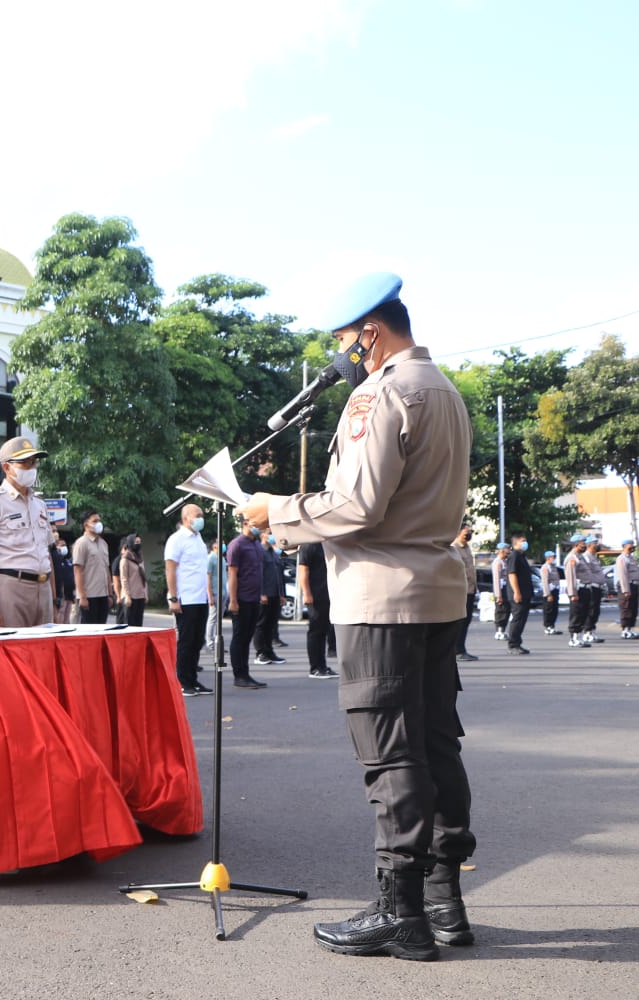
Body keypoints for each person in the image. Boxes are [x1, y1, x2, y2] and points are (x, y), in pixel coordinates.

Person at [241, 272, 475, 961]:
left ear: (369, 333)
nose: (342, 353)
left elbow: (356, 507)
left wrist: (273, 508)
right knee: (436, 745)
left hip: (379, 596)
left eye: (344, 339)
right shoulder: (446, 390)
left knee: (390, 755)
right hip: (434, 590)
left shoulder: (379, 392)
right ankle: (443, 904)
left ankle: (399, 916)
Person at [0, 437, 56, 629]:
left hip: (43, 589)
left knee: (43, 655)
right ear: (7, 467)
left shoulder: (40, 505)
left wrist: (54, 600)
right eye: (24, 463)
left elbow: (47, 554)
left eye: (34, 462)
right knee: (11, 655)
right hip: (10, 587)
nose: (31, 467)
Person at [164, 504, 212, 697]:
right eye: (197, 515)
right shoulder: (177, 539)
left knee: (197, 640)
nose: (201, 518)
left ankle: (192, 679)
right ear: (186, 517)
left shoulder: (198, 538)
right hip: (186, 598)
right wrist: (173, 597)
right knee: (186, 640)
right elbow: (170, 569)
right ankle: (183, 681)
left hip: (200, 598)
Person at [224, 521, 268, 689]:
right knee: (239, 638)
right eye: (255, 523)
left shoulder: (256, 544)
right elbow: (232, 574)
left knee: (247, 637)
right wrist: (233, 600)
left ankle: (246, 673)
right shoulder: (237, 545)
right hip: (241, 599)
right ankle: (239, 675)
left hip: (253, 598)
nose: (258, 526)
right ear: (245, 523)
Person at [297, 540, 337, 679]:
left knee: (323, 632)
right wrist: (307, 593)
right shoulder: (308, 545)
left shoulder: (325, 544)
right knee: (316, 632)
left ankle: (322, 666)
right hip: (315, 596)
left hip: (327, 595)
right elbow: (303, 570)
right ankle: (315, 668)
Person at [253, 535, 287, 666]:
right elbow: (258, 573)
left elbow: (278, 575)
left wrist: (281, 594)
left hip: (275, 594)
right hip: (265, 594)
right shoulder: (260, 551)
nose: (272, 535)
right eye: (268, 532)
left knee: (271, 625)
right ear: (262, 535)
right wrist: (261, 592)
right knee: (261, 624)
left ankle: (269, 651)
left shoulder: (273, 552)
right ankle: (260, 653)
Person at [72, 510, 110, 624]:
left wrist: (110, 594)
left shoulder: (103, 543)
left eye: (99, 521)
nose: (98, 524)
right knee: (89, 632)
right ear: (86, 525)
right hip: (89, 596)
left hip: (103, 595)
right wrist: (82, 596)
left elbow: (106, 569)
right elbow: (78, 571)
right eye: (95, 521)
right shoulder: (81, 543)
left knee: (102, 630)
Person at [451, 526, 479, 661]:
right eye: (466, 533)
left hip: (470, 590)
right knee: (460, 622)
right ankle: (457, 650)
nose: (468, 535)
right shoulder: (454, 548)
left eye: (470, 533)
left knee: (466, 621)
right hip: (461, 591)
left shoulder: (467, 548)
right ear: (458, 532)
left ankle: (461, 648)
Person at [505, 533, 533, 654]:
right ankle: (513, 645)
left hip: (525, 593)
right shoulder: (514, 556)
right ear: (516, 543)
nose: (525, 543)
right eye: (523, 541)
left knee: (522, 619)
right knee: (517, 619)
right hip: (518, 594)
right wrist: (517, 592)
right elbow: (512, 574)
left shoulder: (522, 556)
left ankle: (517, 643)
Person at [562, 535, 591, 648]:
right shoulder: (572, 558)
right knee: (576, 614)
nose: (585, 545)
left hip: (585, 588)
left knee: (583, 613)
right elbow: (571, 577)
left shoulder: (580, 557)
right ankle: (573, 639)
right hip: (577, 590)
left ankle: (578, 637)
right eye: (582, 543)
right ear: (576, 544)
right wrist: (573, 593)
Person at [578, 536, 606, 643]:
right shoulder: (586, 557)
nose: (597, 545)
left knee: (595, 611)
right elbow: (587, 573)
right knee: (591, 610)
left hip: (597, 587)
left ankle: (591, 631)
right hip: (592, 587)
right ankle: (587, 632)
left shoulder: (593, 557)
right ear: (589, 545)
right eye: (595, 543)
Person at [119, 534, 148, 627]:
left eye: (139, 542)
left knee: (138, 624)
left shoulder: (140, 558)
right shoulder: (125, 559)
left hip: (140, 595)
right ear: (130, 543)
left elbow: (143, 577)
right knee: (130, 624)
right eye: (136, 542)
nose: (138, 544)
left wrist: (145, 594)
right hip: (130, 596)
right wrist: (127, 595)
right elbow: (124, 579)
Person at [616, 540, 638, 639]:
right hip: (627, 586)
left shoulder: (631, 558)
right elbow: (623, 575)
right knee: (626, 608)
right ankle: (625, 630)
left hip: (634, 585)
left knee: (633, 609)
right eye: (630, 545)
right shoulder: (622, 559)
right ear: (624, 546)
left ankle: (630, 629)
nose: (632, 547)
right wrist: (626, 590)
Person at [51, 535, 76, 624]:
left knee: (67, 618)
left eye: (64, 545)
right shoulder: (55, 562)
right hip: (61, 594)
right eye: (61, 545)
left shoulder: (67, 562)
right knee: (60, 616)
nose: (64, 547)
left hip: (69, 594)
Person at [490, 542, 510, 642]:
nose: (509, 551)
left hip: (506, 588)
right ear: (502, 550)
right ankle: (499, 631)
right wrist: (498, 595)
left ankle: (502, 630)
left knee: (506, 610)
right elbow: (496, 579)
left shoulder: (504, 562)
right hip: (501, 590)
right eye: (507, 549)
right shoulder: (497, 562)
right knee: (501, 610)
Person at [539, 550, 562, 635]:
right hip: (549, 591)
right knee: (548, 610)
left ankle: (552, 626)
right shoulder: (545, 567)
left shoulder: (553, 567)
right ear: (548, 558)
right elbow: (545, 582)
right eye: (553, 557)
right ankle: (548, 626)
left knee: (554, 610)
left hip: (555, 590)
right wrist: (548, 594)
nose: (554, 558)